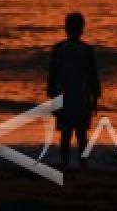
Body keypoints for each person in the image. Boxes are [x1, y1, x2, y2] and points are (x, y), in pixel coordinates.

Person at [46, 11, 101, 170]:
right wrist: (95, 98)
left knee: (66, 133)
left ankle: (65, 164)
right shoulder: (87, 50)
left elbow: (52, 75)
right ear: (82, 29)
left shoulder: (59, 49)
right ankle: (82, 165)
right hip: (82, 96)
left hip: (64, 96)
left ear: (66, 28)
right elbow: (93, 76)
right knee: (81, 134)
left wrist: (51, 97)